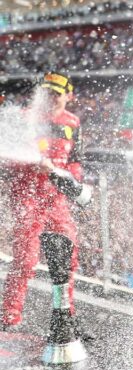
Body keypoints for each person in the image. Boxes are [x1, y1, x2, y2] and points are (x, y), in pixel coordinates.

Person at [1, 72, 88, 333]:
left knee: (67, 260)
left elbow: (75, 159)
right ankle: (9, 316)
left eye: (57, 94)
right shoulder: (25, 117)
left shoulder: (73, 122)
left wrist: (73, 181)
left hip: (57, 200)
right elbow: (6, 154)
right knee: (25, 259)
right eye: (47, 93)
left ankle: (66, 316)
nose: (52, 98)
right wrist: (33, 164)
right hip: (27, 197)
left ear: (69, 95)